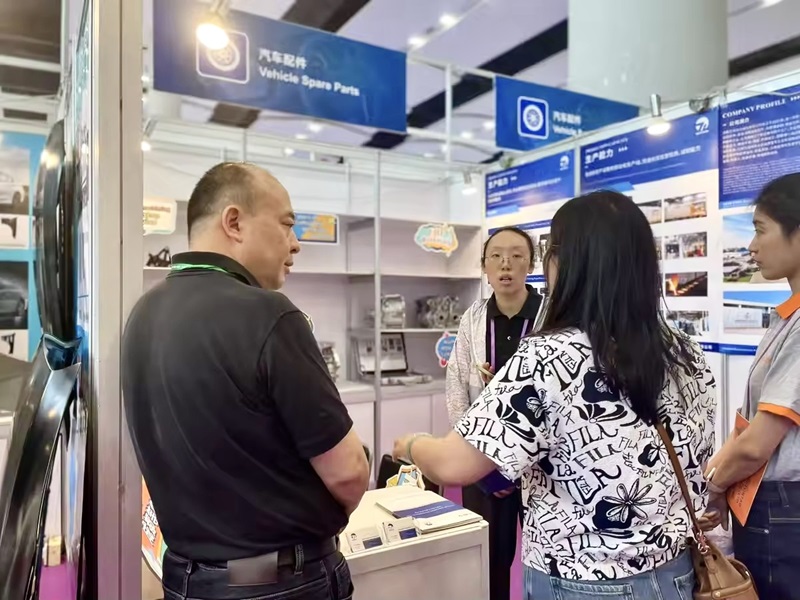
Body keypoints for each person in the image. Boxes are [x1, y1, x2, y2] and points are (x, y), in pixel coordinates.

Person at [392, 191, 717, 600]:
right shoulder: (686, 351)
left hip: (581, 580)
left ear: (562, 263)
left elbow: (453, 464)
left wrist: (411, 444)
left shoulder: (547, 355)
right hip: (677, 571)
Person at [122, 162, 369, 600]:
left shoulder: (142, 313)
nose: (296, 243)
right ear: (234, 222)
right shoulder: (270, 314)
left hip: (185, 578)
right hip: (278, 580)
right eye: (286, 224)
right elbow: (349, 473)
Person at [702, 173, 800, 598]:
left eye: (761, 230)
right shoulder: (787, 318)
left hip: (782, 509)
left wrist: (712, 486)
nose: (752, 246)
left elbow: (757, 444)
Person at [445, 225, 541, 600]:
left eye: (517, 256)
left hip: (542, 469)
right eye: (496, 256)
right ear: (484, 266)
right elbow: (457, 388)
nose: (506, 264)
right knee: (489, 561)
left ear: (531, 264)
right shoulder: (473, 319)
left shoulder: (551, 316)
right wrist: (480, 462)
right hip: (483, 464)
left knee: (544, 560)